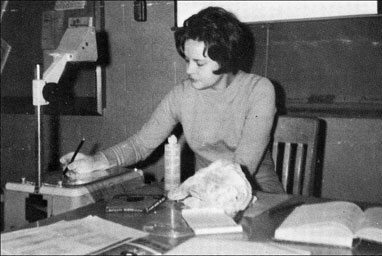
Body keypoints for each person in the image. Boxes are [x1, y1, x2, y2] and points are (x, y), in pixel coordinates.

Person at [60, 7, 285, 194]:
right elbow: (141, 144)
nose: (188, 70)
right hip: (205, 195)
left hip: (258, 195)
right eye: (187, 60)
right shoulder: (182, 95)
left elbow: (241, 168)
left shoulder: (259, 90)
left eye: (199, 63)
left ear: (225, 57)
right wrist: (96, 161)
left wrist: (191, 190)